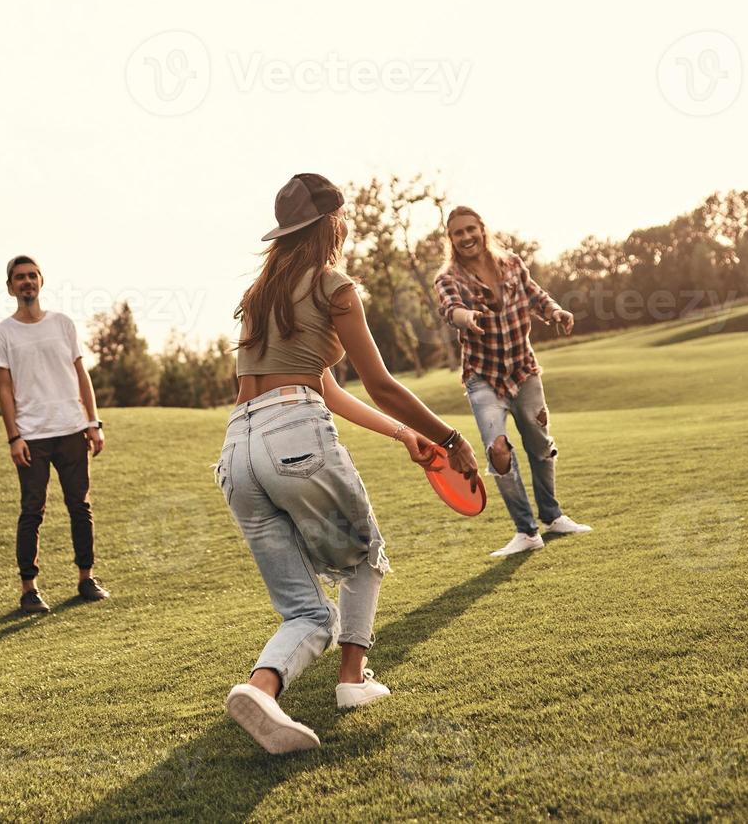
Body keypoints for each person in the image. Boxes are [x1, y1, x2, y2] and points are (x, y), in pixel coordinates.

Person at [218, 174, 481, 755]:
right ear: (332, 224)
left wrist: (405, 435)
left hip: (238, 450)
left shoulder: (260, 297)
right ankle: (351, 681)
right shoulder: (336, 287)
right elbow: (381, 383)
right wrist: (449, 437)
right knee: (365, 554)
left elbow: (326, 386)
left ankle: (261, 691)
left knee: (307, 612)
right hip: (295, 436)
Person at [433, 206, 593, 558]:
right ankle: (526, 531)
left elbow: (535, 295)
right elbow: (450, 309)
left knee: (540, 444)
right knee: (498, 451)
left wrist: (555, 312)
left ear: (482, 229)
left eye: (471, 229)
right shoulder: (448, 278)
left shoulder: (512, 263)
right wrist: (467, 317)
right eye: (458, 233)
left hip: (524, 370)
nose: (466, 237)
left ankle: (552, 517)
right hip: (482, 376)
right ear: (451, 239)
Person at [0, 255, 109, 615]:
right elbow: (5, 389)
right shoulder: (2, 334)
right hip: (32, 435)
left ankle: (86, 579)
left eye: (32, 276)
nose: (26, 282)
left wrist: (93, 421)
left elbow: (80, 374)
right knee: (31, 511)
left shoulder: (63, 324)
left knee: (80, 507)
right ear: (10, 287)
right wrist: (14, 437)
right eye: (19, 278)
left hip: (72, 428)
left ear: (41, 281)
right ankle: (30, 590)